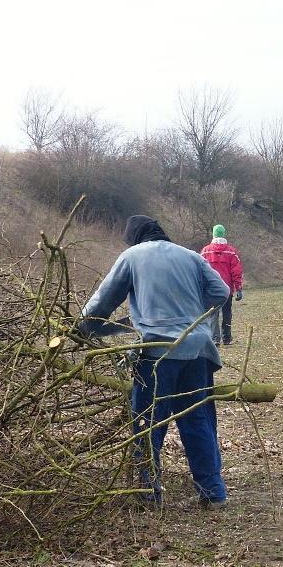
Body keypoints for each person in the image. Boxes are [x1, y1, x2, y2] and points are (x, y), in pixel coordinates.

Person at [79, 215, 231, 509]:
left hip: (157, 353)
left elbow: (102, 302)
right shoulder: (190, 256)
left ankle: (147, 493)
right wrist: (196, 319)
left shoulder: (132, 256)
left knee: (148, 422)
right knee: (197, 419)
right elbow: (221, 292)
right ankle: (213, 492)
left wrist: (80, 328)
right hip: (197, 351)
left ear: (134, 237)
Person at [200, 224, 244, 346]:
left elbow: (201, 271)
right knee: (227, 313)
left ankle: (215, 339)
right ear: (224, 234)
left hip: (211, 290)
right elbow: (236, 271)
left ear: (213, 234)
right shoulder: (231, 252)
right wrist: (238, 288)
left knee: (213, 314)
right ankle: (227, 338)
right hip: (227, 289)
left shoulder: (205, 251)